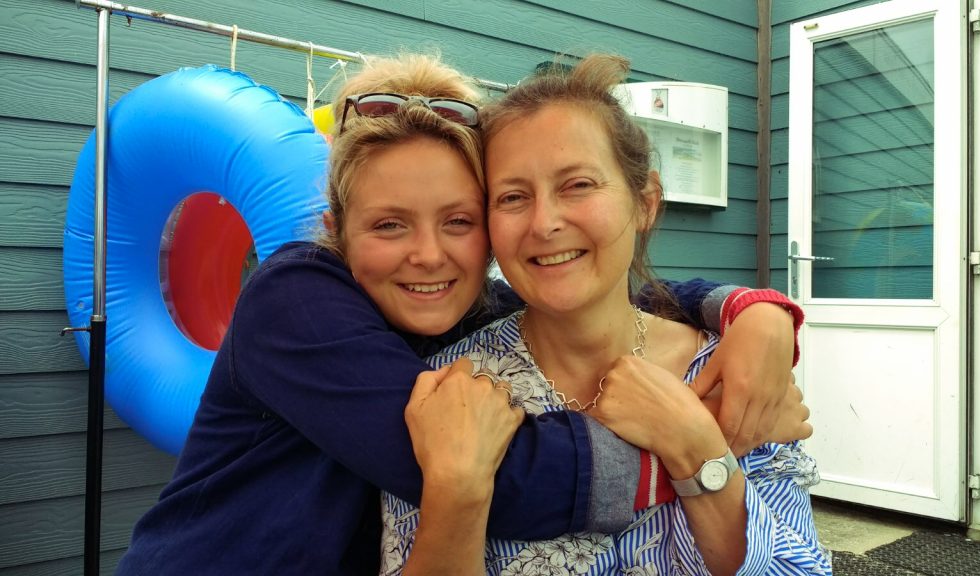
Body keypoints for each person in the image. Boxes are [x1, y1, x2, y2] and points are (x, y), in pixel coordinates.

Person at [116, 54, 804, 575]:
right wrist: (705, 439)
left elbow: (608, 286)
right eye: (388, 225)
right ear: (336, 229)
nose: (428, 256)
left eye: (458, 220)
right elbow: (506, 475)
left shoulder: (467, 310)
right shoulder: (293, 298)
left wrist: (752, 310)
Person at [381, 54, 830, 575]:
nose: (545, 222)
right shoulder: (454, 386)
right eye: (513, 196)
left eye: (578, 185)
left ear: (645, 204)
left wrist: (698, 449)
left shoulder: (731, 369)